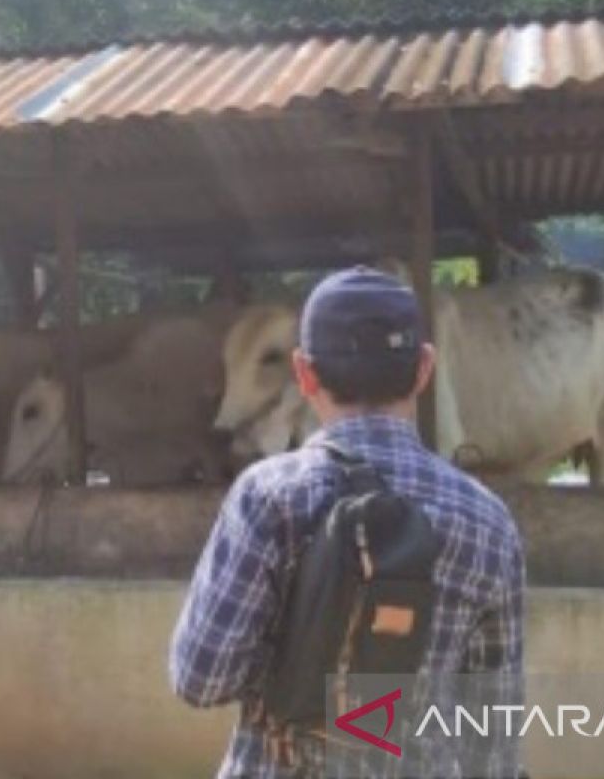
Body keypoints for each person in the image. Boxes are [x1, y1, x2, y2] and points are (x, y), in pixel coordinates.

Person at [169, 267, 526, 778]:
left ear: (305, 373)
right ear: (424, 369)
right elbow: (492, 740)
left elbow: (199, 679)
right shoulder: (489, 523)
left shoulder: (267, 498)